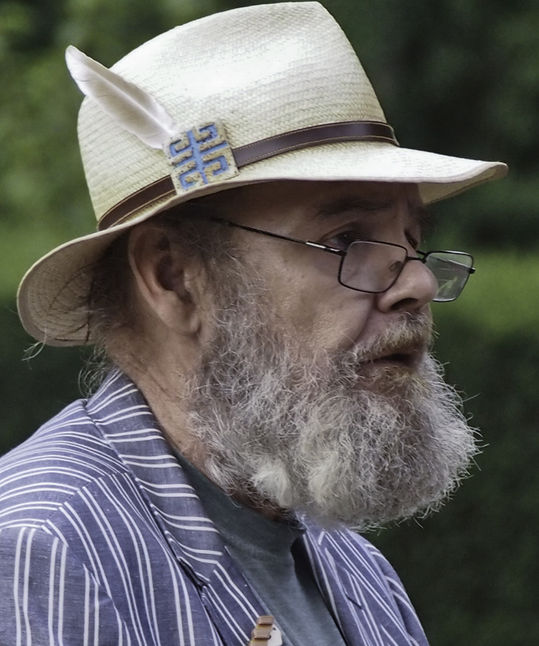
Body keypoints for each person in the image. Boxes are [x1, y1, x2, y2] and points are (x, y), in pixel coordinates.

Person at [0, 2, 506, 645]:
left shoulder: (356, 570)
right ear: (174, 278)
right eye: (346, 239)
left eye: (411, 239)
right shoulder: (45, 551)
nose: (419, 283)